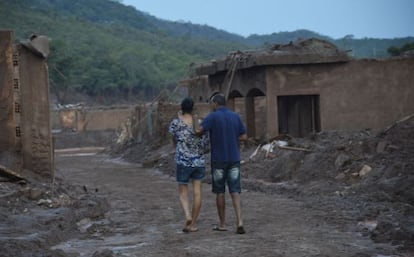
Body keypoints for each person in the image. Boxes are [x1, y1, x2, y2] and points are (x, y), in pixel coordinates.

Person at [196, 93, 247, 234]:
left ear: (215, 104)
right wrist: (233, 137)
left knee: (220, 192)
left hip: (218, 160)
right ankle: (240, 221)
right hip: (234, 159)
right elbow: (244, 136)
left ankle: (223, 224)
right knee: (235, 190)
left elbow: (199, 130)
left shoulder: (212, 117)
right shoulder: (235, 116)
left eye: (211, 103)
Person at [168, 97, 208, 233]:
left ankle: (187, 215)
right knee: (197, 193)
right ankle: (193, 224)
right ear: (193, 108)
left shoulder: (175, 123)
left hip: (183, 161)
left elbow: (174, 139)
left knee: (183, 192)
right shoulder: (200, 123)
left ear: (181, 108)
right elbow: (205, 143)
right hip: (198, 161)